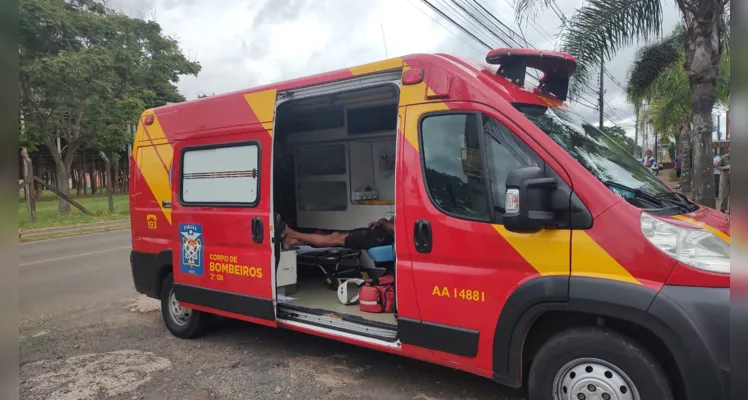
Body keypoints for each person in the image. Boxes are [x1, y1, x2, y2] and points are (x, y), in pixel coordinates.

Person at [277, 215, 394, 251]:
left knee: (335, 238)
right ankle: (292, 241)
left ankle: (291, 235)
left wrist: (384, 222)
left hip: (381, 238)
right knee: (335, 237)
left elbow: (397, 229)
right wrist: (382, 223)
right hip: (380, 235)